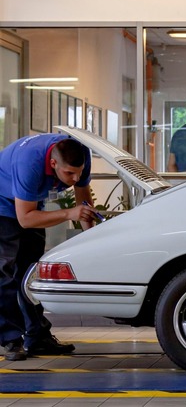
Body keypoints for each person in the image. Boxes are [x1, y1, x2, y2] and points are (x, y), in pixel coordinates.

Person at [0, 134, 100, 361]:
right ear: (53, 163)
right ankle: (11, 339)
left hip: (31, 204)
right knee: (5, 272)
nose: (75, 178)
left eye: (79, 172)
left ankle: (38, 338)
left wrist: (92, 237)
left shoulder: (80, 153)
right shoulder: (29, 163)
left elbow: (83, 200)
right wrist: (68, 213)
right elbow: (25, 219)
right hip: (3, 204)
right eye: (69, 173)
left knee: (32, 274)